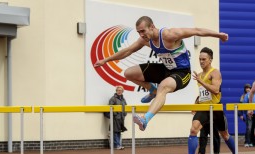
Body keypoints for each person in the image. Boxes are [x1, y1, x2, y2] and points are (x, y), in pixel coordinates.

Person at [94, 16, 228, 131]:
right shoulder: (145, 40)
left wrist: (219, 35)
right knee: (128, 73)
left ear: (152, 27)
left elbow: (197, 31)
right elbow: (127, 51)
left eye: (143, 31)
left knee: (163, 86)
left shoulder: (169, 35)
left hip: (182, 73)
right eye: (138, 32)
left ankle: (145, 119)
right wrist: (105, 60)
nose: (141, 35)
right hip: (166, 70)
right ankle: (152, 90)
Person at [179, 47, 243, 154]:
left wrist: (201, 82)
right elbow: (203, 94)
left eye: (204, 59)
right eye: (200, 59)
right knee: (193, 130)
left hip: (215, 108)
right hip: (203, 108)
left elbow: (215, 90)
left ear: (210, 60)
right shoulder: (200, 75)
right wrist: (196, 103)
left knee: (224, 135)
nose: (201, 62)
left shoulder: (215, 73)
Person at [106, 85, 127, 150]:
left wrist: (124, 114)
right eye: (118, 90)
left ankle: (119, 144)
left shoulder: (123, 99)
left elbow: (125, 107)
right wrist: (115, 114)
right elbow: (110, 107)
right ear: (116, 91)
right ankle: (116, 145)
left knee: (119, 131)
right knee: (115, 131)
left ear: (122, 91)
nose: (119, 91)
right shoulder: (113, 99)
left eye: (120, 90)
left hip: (121, 118)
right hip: (115, 118)